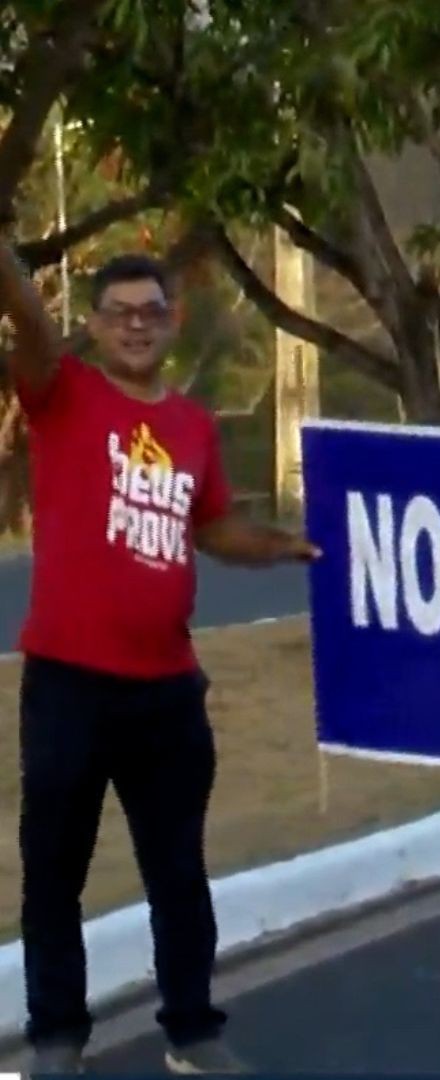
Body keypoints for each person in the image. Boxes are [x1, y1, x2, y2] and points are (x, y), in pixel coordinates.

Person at [0, 242, 320, 1075]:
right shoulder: (60, 393)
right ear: (96, 326)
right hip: (68, 685)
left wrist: (286, 546)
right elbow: (29, 320)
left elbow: (213, 528)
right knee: (54, 873)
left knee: (178, 872)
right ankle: (57, 1040)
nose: (136, 325)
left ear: (173, 321)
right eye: (119, 313)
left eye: (151, 311)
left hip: (167, 693)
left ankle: (191, 1032)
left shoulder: (192, 426)